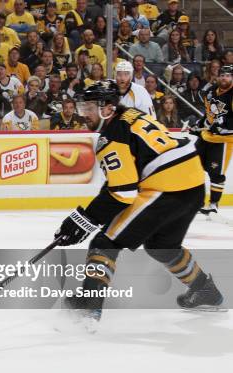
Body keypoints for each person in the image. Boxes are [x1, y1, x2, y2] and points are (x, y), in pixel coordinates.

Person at [54, 81, 224, 326]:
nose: (83, 114)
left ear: (108, 108)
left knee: (105, 242)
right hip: (193, 183)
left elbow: (123, 192)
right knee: (162, 245)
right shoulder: (132, 114)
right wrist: (87, 217)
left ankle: (87, 308)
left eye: (89, 107)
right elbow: (124, 180)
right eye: (81, 107)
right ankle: (205, 291)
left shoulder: (111, 138)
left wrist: (83, 219)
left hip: (166, 187)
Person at [193, 65, 233, 216]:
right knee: (193, 165)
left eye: (228, 76)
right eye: (222, 75)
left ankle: (213, 204)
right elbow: (210, 113)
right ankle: (196, 200)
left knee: (216, 173)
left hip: (223, 141)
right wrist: (199, 124)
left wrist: (224, 125)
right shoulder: (211, 91)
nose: (224, 78)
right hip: (206, 137)